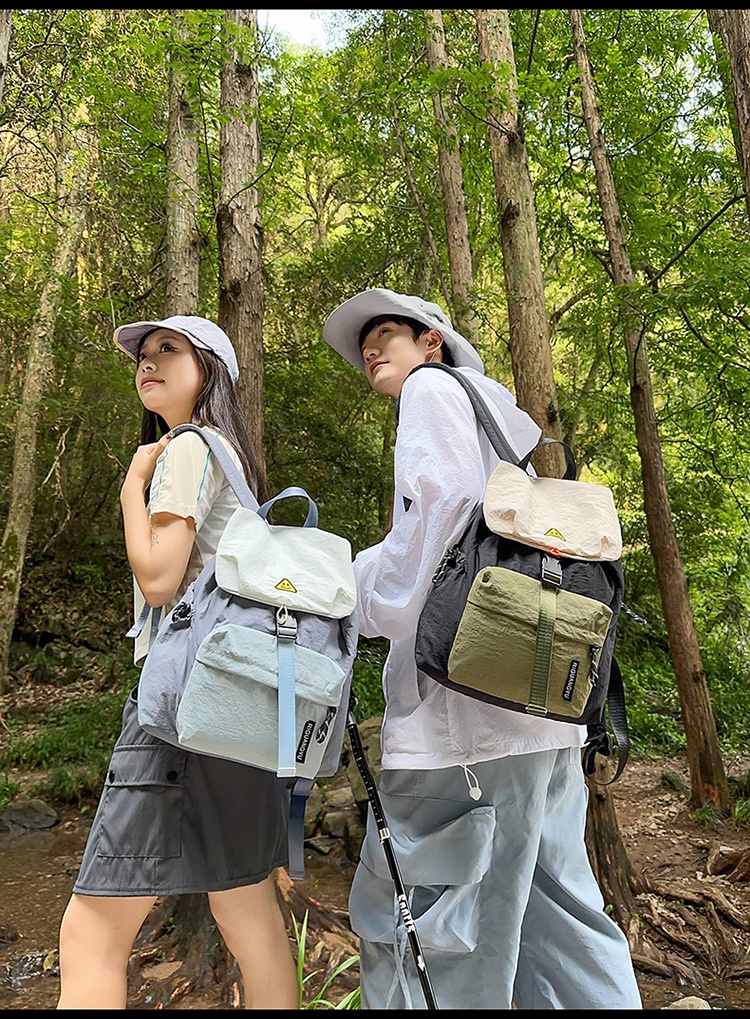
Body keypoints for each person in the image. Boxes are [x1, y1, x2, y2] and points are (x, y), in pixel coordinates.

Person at [322, 289, 642, 1011]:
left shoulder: (432, 391)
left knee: (431, 934)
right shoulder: (500, 433)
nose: (372, 349)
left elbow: (436, 523)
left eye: (388, 335)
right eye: (365, 344)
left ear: (432, 343)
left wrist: (356, 590)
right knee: (561, 923)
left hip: (459, 736)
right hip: (544, 725)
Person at [57, 315, 299, 1010]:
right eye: (143, 354)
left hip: (181, 707)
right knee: (246, 905)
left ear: (210, 371)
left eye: (170, 350)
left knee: (91, 929)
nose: (148, 362)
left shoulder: (186, 449)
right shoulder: (232, 458)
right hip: (244, 708)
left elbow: (160, 578)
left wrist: (132, 487)